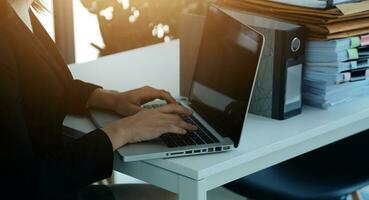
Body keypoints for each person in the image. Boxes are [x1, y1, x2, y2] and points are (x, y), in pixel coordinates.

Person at [0, 0, 197, 199]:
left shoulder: (18, 9)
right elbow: (21, 184)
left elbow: (40, 84)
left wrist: (111, 99)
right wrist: (123, 131)